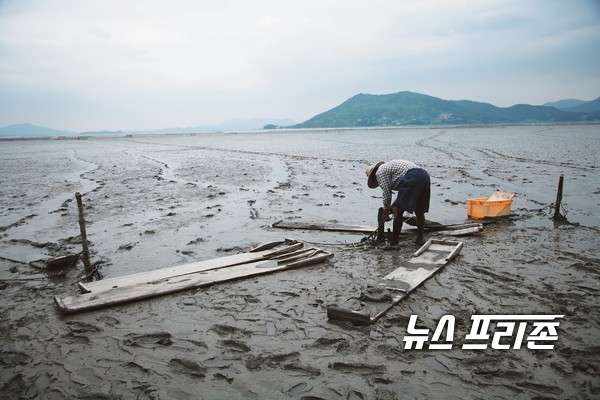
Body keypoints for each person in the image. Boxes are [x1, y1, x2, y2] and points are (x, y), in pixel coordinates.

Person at [365, 160, 431, 245]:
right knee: (419, 211)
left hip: (412, 177)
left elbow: (387, 194)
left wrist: (385, 212)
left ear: (373, 176)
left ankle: (394, 243)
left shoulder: (379, 173)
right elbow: (403, 193)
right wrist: (392, 206)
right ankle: (420, 239)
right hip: (424, 176)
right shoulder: (389, 169)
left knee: (398, 211)